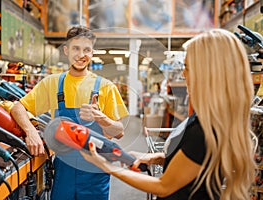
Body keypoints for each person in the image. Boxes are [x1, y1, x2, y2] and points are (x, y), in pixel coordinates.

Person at [81, 29, 257, 200]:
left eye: (187, 67)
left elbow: (163, 187)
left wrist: (106, 166)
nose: (183, 73)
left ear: (206, 73)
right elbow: (195, 161)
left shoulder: (204, 131)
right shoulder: (210, 118)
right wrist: (155, 158)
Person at [10, 26, 129, 200]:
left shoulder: (105, 87)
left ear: (92, 53)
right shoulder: (52, 83)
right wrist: (30, 132)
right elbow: (17, 108)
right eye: (76, 48)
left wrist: (102, 119)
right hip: (64, 171)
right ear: (66, 50)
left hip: (96, 172)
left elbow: (118, 132)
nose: (82, 55)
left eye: (87, 50)